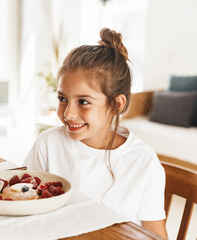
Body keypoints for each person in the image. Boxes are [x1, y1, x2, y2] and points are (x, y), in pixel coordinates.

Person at [23, 27, 168, 238]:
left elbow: (156, 235)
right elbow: (25, 201)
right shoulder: (48, 143)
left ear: (116, 105)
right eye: (63, 99)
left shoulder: (143, 161)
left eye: (84, 102)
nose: (69, 113)